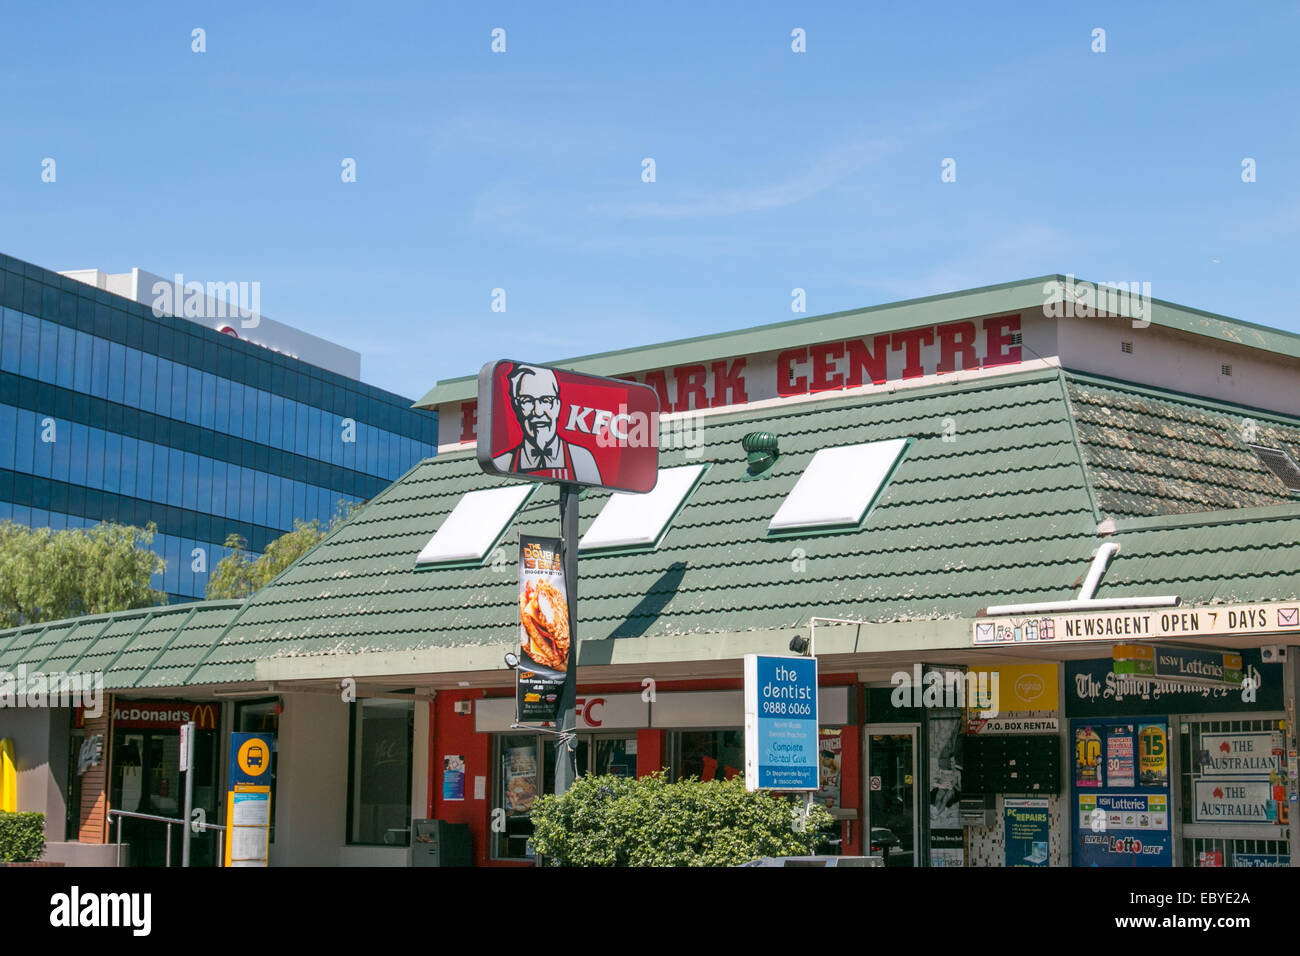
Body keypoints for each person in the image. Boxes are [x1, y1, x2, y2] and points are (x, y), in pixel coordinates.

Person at [493, 364, 601, 483]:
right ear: (516, 407)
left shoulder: (582, 459)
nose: (538, 412)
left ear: (558, 405)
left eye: (546, 400)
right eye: (527, 401)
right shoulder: (501, 464)